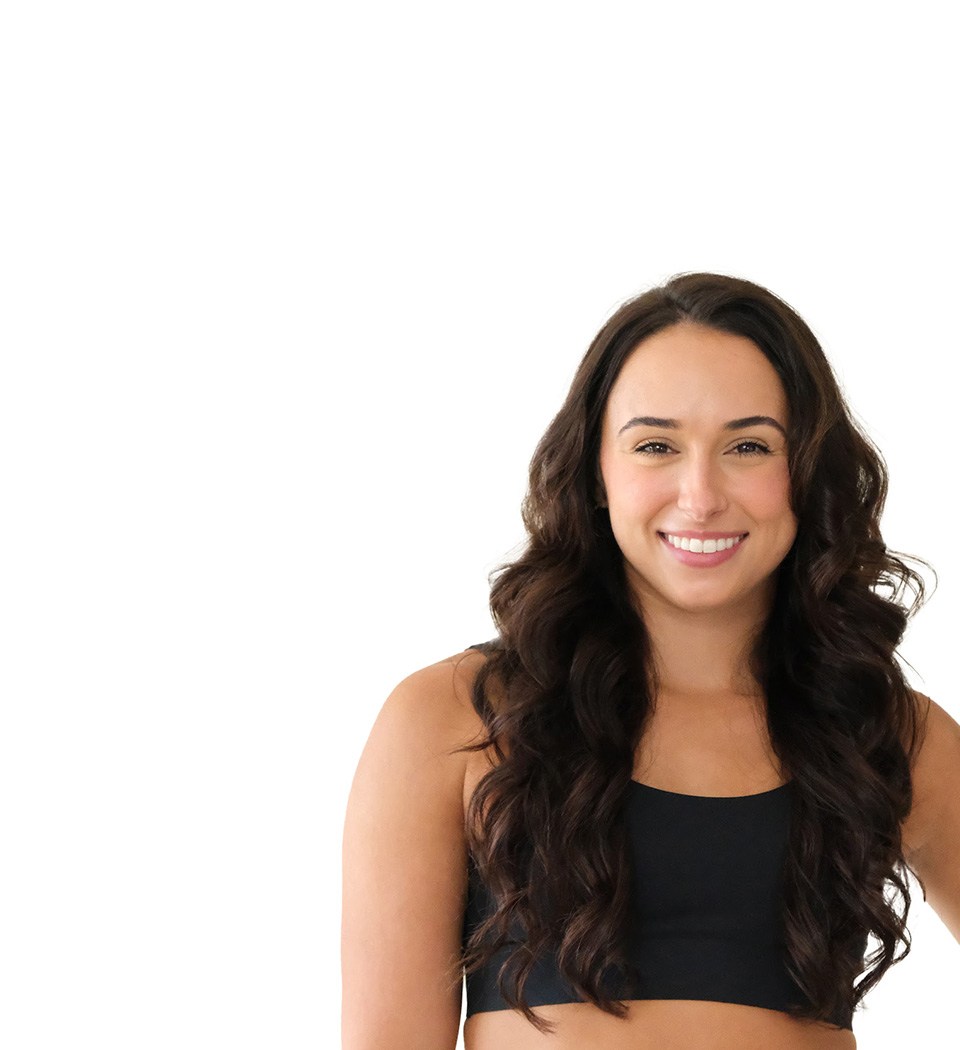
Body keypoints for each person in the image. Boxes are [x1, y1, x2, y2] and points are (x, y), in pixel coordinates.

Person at [341, 273, 960, 1050]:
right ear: (596, 470)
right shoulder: (452, 717)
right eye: (656, 446)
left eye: (748, 446)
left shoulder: (891, 735)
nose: (699, 496)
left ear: (806, 471)